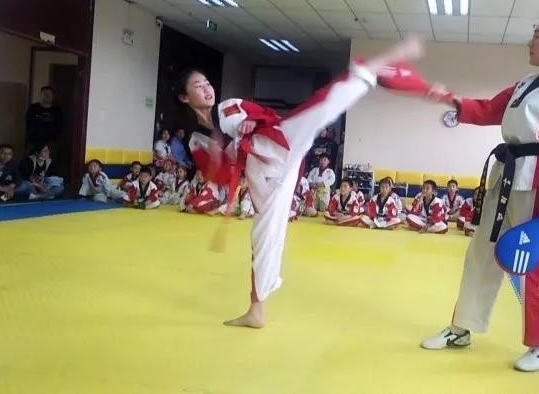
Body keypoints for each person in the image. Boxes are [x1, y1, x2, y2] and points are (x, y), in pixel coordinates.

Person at [178, 37, 425, 328]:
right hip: (265, 178)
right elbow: (220, 175)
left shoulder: (227, 108)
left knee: (318, 110)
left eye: (207, 82)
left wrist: (253, 124)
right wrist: (218, 158)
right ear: (184, 98)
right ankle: (256, 311)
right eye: (198, 86)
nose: (207, 88)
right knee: (263, 240)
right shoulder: (199, 140)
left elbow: (263, 116)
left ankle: (375, 66)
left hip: (279, 145)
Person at [416, 12, 539, 372]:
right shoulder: (526, 83)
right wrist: (449, 99)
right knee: (480, 252)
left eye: (537, 35)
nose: (530, 41)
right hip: (506, 177)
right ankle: (462, 328)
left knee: (534, 263)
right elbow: (488, 110)